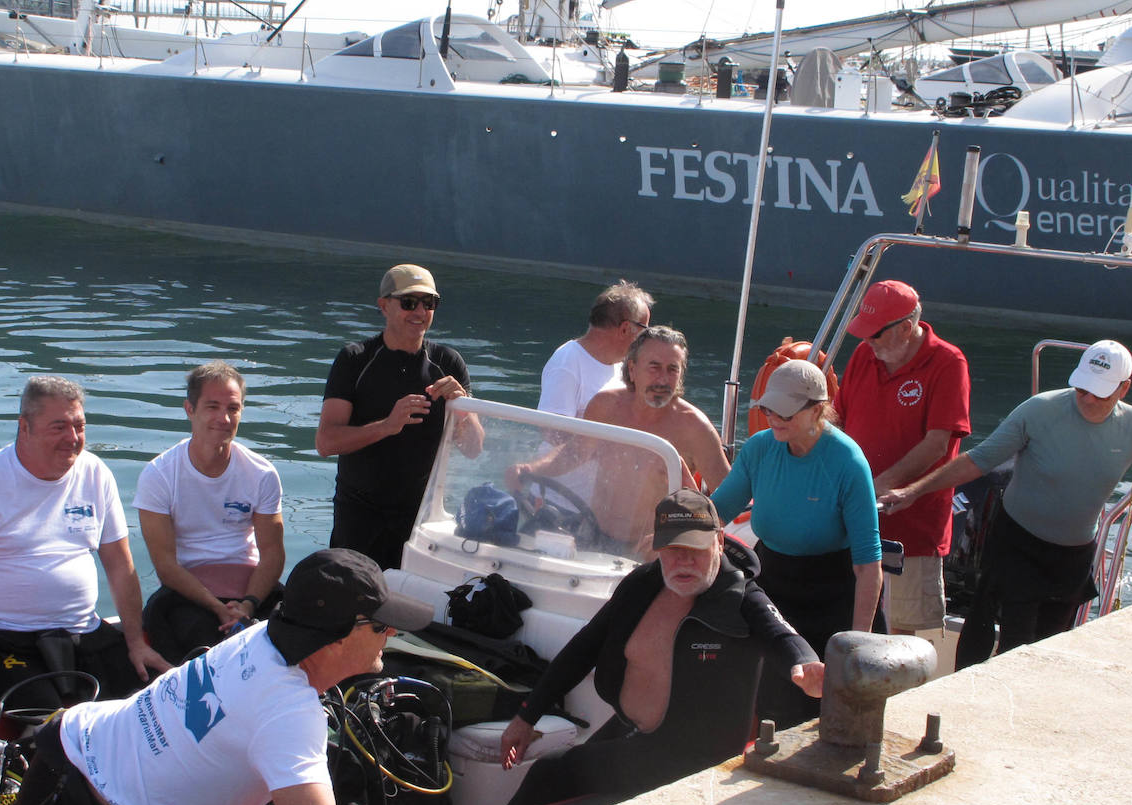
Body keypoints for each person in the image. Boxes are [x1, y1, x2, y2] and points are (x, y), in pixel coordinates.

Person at [0, 549, 531, 805]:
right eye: (382, 626)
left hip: (65, 745)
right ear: (341, 636)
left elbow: (210, 728)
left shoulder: (262, 637)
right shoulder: (292, 714)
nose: (392, 635)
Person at [498, 489, 822, 805]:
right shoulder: (643, 584)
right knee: (550, 777)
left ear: (719, 542)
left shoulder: (741, 599)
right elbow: (583, 648)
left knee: (551, 773)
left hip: (690, 759)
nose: (683, 560)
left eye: (695, 548)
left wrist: (805, 664)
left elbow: (782, 635)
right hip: (631, 735)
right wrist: (527, 716)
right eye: (672, 548)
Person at [881, 340, 1132, 667]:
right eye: (1082, 388)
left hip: (1072, 556)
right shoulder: (1040, 410)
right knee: (1012, 643)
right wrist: (912, 491)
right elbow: (979, 460)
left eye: (1100, 393)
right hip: (1018, 544)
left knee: (1048, 649)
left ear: (1124, 389)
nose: (1087, 399)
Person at [0, 376, 170, 707]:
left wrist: (135, 641)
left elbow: (120, 566)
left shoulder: (95, 474)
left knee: (154, 706)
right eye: (59, 427)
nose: (73, 438)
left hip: (80, 629)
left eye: (79, 426)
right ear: (25, 426)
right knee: (52, 727)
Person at [711, 359, 882, 728]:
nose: (774, 418)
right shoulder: (759, 449)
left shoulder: (847, 462)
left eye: (785, 412)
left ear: (817, 410)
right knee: (772, 704)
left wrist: (856, 644)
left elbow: (868, 565)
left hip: (832, 592)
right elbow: (717, 513)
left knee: (831, 709)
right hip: (773, 584)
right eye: (769, 408)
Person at [316, 264, 484, 570]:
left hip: (420, 518)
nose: (419, 311)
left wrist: (462, 408)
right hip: (360, 517)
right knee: (355, 609)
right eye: (409, 302)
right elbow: (326, 442)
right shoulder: (355, 360)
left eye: (428, 303)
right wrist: (387, 426)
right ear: (383, 305)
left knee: (410, 611)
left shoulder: (448, 363)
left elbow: (473, 449)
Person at [507, 326, 731, 551]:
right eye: (654, 367)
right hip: (593, 536)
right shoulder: (605, 407)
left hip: (654, 550)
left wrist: (682, 533)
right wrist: (530, 469)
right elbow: (574, 454)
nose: (663, 379)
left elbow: (730, 498)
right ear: (632, 369)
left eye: (672, 369)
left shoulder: (695, 428)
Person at [834, 280, 971, 636]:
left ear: (906, 328)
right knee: (845, 621)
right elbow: (837, 418)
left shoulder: (948, 362)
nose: (867, 342)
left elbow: (937, 443)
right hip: (852, 523)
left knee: (901, 636)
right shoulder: (866, 354)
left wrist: (878, 486)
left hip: (911, 532)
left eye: (875, 335)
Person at [135, 361, 286, 663]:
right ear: (189, 409)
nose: (224, 418)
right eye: (212, 407)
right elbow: (165, 564)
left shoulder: (262, 473)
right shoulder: (159, 474)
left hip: (251, 591)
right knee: (205, 649)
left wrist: (248, 605)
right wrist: (217, 608)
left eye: (233, 408)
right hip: (188, 594)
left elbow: (272, 554)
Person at [537, 279, 653, 418]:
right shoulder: (567, 363)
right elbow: (553, 432)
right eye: (644, 330)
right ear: (625, 329)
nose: (645, 339)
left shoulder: (621, 366)